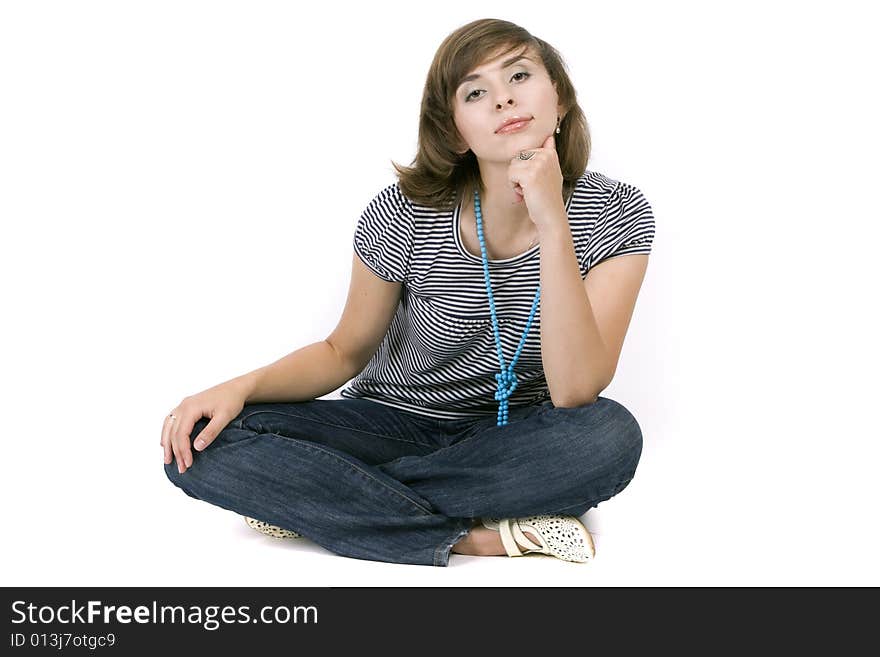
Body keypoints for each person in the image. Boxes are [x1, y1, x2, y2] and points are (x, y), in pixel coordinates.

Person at [161, 18, 655, 567]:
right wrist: (241, 386)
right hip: (390, 422)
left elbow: (575, 391)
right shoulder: (402, 211)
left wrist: (552, 219)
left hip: (511, 439)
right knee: (201, 446)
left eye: (519, 75)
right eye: (475, 92)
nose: (504, 99)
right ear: (455, 131)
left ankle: (319, 500)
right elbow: (342, 352)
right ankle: (471, 535)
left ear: (559, 99)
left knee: (608, 437)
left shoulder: (619, 214)